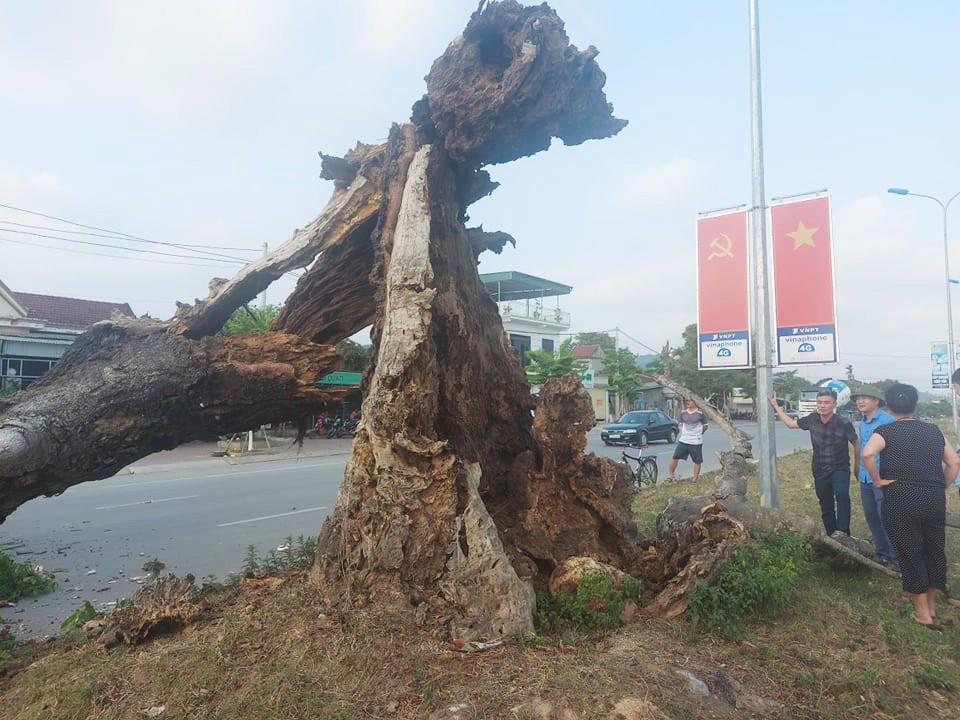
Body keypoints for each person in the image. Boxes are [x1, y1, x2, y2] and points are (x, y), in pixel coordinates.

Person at [862, 383, 960, 628]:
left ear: (889, 406)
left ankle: (922, 614)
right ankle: (933, 607)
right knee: (933, 550)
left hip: (901, 497)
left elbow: (867, 455)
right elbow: (953, 462)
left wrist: (876, 480)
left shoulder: (885, 431)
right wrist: (942, 486)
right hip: (933, 497)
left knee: (910, 552)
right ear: (915, 405)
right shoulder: (934, 431)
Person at [769, 388, 859, 538]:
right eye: (819, 402)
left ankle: (843, 531)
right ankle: (832, 535)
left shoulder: (843, 422)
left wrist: (857, 466)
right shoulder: (812, 419)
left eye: (826, 402)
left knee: (842, 496)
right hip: (820, 469)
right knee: (826, 504)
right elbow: (791, 424)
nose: (822, 405)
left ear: (834, 404)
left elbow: (856, 443)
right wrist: (776, 407)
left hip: (840, 467)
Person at [850, 386, 898, 568]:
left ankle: (896, 557)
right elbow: (862, 450)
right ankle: (882, 553)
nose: (860, 401)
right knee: (872, 517)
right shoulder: (862, 423)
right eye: (858, 398)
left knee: (887, 517)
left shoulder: (888, 421)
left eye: (865, 398)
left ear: (876, 401)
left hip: (883, 478)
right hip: (865, 478)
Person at [668, 396, 708, 482]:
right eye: (687, 401)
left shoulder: (700, 414)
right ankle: (670, 476)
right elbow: (680, 424)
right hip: (684, 440)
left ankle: (695, 479)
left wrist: (699, 433)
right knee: (675, 457)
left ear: (695, 402)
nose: (688, 402)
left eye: (690, 401)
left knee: (697, 461)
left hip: (696, 441)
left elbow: (705, 426)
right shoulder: (683, 413)